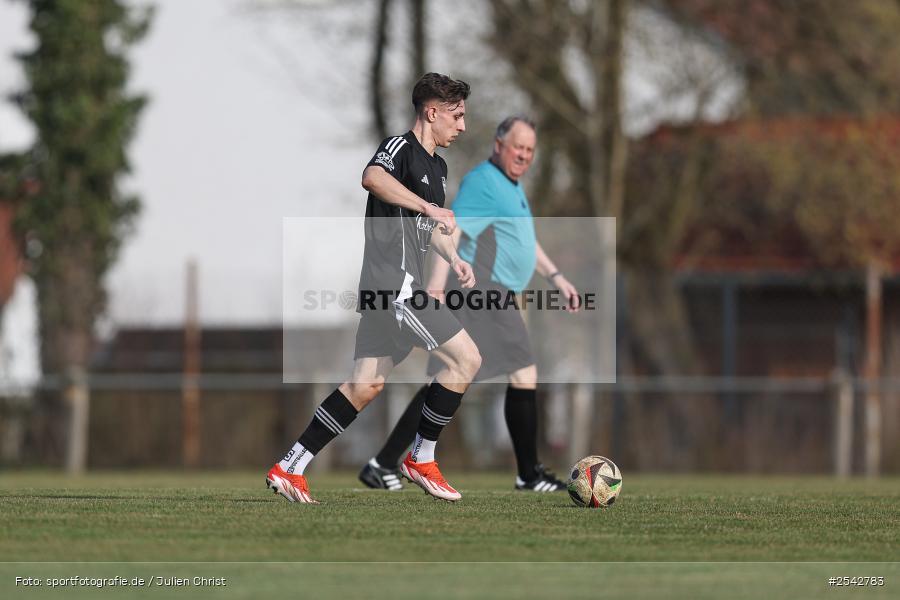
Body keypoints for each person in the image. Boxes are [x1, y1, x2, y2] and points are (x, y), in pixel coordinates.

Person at [267, 73, 480, 503]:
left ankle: (290, 466)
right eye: (456, 117)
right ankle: (421, 457)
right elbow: (371, 178)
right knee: (466, 359)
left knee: (366, 384)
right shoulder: (399, 148)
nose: (462, 127)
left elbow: (428, 225)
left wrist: (453, 257)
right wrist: (426, 205)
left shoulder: (438, 167)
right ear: (431, 112)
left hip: (394, 289)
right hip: (393, 285)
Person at [358, 115, 580, 493]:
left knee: (448, 377)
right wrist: (435, 288)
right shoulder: (484, 182)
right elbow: (452, 229)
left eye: (530, 150)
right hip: (483, 292)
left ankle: (383, 461)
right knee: (523, 372)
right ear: (499, 145)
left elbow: (525, 242)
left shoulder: (513, 187)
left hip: (493, 293)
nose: (524, 156)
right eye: (518, 148)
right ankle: (528, 472)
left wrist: (556, 277)